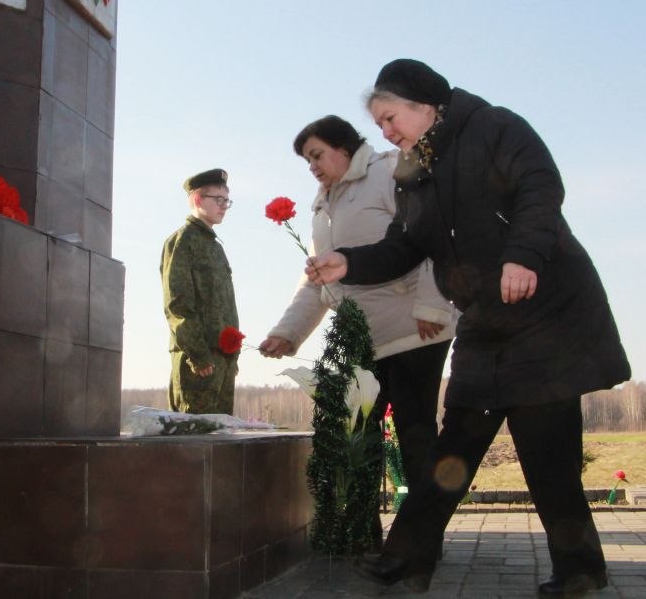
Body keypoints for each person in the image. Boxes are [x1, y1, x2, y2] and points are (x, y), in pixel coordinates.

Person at [307, 60, 630, 596]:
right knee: (452, 444)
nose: (385, 133)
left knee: (546, 450)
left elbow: (540, 188)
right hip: (484, 320)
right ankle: (407, 559)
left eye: (390, 119)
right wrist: (350, 263)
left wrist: (523, 256)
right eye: (380, 123)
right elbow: (406, 244)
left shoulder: (495, 127)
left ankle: (580, 570)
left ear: (424, 105)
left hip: (543, 312)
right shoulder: (412, 169)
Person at [258, 115, 459, 492]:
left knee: (414, 429)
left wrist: (432, 305)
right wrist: (288, 332)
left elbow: (433, 234)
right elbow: (318, 277)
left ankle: (421, 534)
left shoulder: (387, 173)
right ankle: (363, 532)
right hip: (364, 335)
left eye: (317, 155)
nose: (313, 167)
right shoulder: (323, 206)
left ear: (344, 148)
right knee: (359, 432)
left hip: (415, 327)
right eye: (307, 161)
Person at [160, 168, 240, 414]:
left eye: (227, 200)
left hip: (222, 362)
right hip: (199, 364)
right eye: (218, 199)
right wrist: (199, 355)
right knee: (193, 442)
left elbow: (225, 307)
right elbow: (178, 304)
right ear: (197, 199)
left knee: (219, 440)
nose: (224, 206)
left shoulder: (215, 247)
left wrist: (232, 357)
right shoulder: (183, 241)